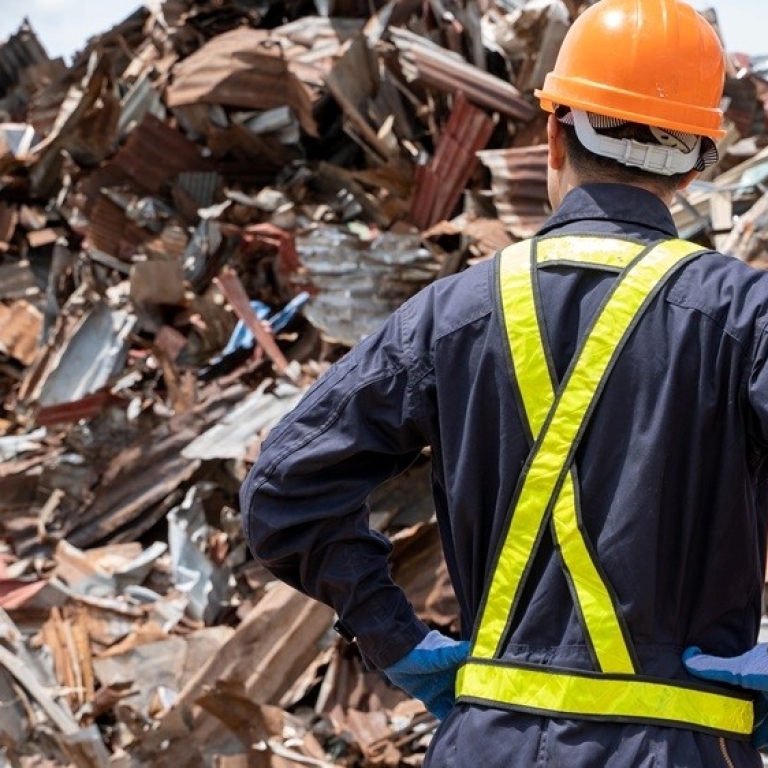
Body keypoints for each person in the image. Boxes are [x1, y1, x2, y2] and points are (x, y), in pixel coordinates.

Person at [239, 0, 768, 764]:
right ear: (694, 161)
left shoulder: (446, 315)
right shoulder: (743, 316)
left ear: (553, 132)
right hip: (678, 747)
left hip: (488, 743)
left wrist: (395, 634)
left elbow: (284, 491)